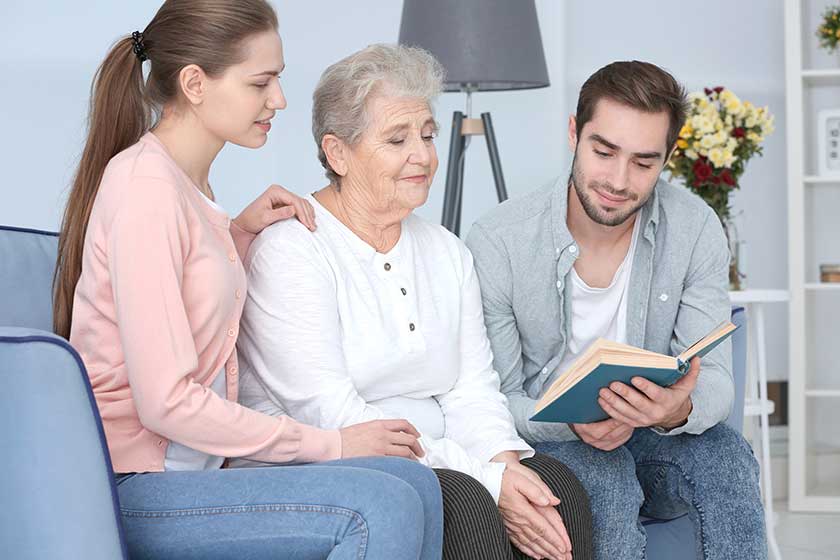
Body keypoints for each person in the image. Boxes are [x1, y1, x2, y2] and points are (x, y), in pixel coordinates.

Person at [54, 2, 443, 558]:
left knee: (416, 483)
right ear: (194, 83)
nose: (278, 100)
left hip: (189, 472)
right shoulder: (144, 188)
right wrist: (328, 444)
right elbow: (165, 403)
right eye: (261, 82)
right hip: (132, 485)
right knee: (379, 504)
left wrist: (234, 237)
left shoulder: (189, 187)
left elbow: (188, 305)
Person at [236, 44, 594, 560]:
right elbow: (333, 414)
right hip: (325, 460)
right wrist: (487, 479)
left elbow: (472, 388)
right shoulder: (291, 249)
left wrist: (506, 464)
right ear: (337, 153)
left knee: (557, 489)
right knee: (467, 502)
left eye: (428, 135)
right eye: (397, 139)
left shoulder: (447, 251)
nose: (423, 156)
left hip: (435, 455)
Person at [465, 60, 766, 559]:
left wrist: (677, 410)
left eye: (644, 163)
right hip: (552, 440)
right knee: (603, 478)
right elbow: (494, 400)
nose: (618, 181)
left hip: (652, 436)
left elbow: (715, 381)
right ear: (573, 134)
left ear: (667, 159)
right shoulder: (499, 240)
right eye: (603, 152)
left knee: (727, 457)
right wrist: (569, 424)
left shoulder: (694, 229)